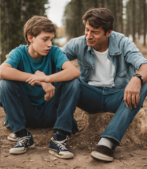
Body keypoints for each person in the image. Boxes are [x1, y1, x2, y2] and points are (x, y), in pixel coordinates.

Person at [62, 8, 147, 162]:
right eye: (87, 30)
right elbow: (53, 61)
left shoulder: (122, 42)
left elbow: (145, 66)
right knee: (71, 79)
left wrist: (137, 78)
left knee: (144, 83)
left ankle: (108, 142)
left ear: (108, 32)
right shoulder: (78, 43)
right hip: (89, 97)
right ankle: (65, 129)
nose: (88, 36)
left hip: (118, 97)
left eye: (94, 32)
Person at [0, 15, 80, 159]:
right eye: (45, 39)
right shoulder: (19, 52)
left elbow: (74, 71)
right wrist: (40, 81)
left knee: (73, 81)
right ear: (30, 38)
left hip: (51, 113)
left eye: (51, 39)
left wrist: (46, 78)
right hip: (26, 114)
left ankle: (60, 138)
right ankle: (22, 135)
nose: (49, 43)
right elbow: (2, 71)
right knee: (6, 83)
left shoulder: (54, 52)